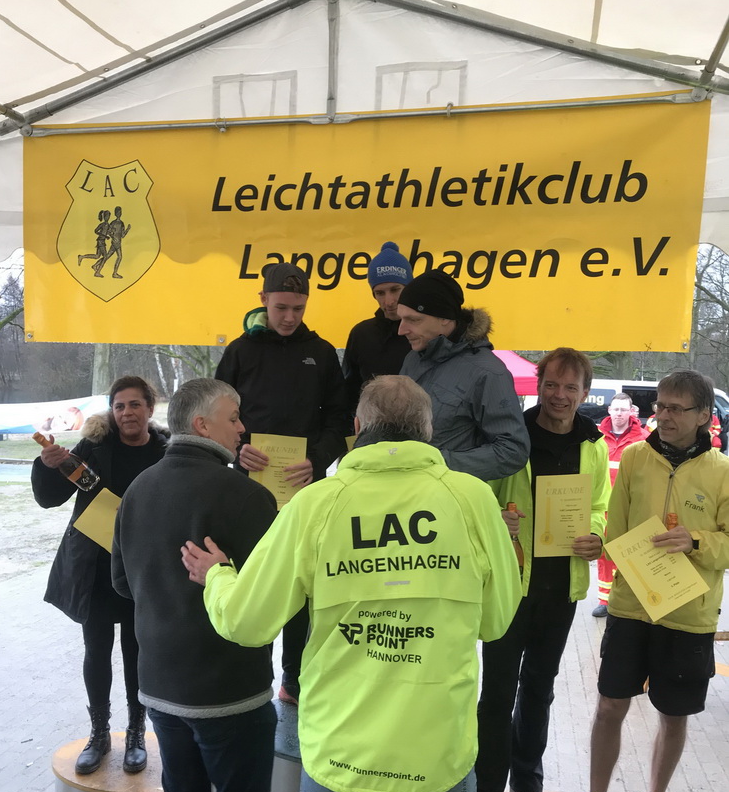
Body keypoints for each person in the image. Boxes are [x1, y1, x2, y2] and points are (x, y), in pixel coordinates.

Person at [181, 375, 521, 792]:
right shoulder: (472, 499)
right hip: (434, 760)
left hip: (339, 757)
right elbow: (496, 621)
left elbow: (245, 621)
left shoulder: (317, 504)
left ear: (358, 428)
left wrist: (217, 576)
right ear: (428, 431)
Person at [112, 378, 277, 792]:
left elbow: (121, 583)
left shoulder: (138, 489)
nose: (243, 428)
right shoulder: (248, 497)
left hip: (159, 687)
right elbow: (272, 600)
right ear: (202, 425)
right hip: (231, 693)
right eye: (234, 417)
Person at [561, 369, 729, 792]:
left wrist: (696, 540)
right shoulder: (634, 457)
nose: (665, 416)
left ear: (704, 416)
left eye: (677, 408)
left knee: (673, 716)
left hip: (688, 615)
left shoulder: (722, 470)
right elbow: (614, 529)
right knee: (609, 707)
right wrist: (596, 544)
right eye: (661, 406)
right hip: (631, 608)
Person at [475, 348, 610, 792]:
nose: (560, 395)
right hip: (511, 585)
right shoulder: (513, 435)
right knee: (496, 694)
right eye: (552, 384)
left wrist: (597, 534)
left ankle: (527, 789)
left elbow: (600, 504)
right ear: (539, 385)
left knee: (539, 689)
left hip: (560, 587)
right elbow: (480, 494)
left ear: (584, 392)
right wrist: (495, 518)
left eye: (571, 387)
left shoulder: (593, 442)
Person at [214, 262, 350, 704]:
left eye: (298, 308)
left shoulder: (322, 353)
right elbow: (215, 414)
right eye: (281, 308)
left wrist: (318, 459)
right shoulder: (239, 352)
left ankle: (294, 677)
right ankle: (249, 673)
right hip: (248, 487)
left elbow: (338, 418)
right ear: (263, 301)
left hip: (304, 487)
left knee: (300, 579)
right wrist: (238, 449)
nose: (290, 317)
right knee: (251, 575)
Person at [31, 375, 168, 775]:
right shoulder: (93, 446)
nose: (127, 413)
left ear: (150, 408)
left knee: (137, 652)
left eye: (135, 404)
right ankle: (99, 733)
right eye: (119, 406)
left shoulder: (165, 452)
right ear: (112, 411)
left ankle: (136, 733)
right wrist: (47, 466)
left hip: (141, 569)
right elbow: (50, 498)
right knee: (96, 651)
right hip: (96, 568)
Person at [397, 268, 529, 480]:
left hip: (452, 494)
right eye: (401, 319)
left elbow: (512, 451)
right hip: (404, 489)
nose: (401, 330)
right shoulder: (413, 358)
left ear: (445, 318)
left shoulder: (489, 373)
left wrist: (437, 463)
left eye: (413, 320)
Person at [592, 393, 648, 618]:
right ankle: (605, 600)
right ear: (609, 410)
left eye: (623, 410)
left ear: (631, 412)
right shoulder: (597, 437)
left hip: (629, 507)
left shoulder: (643, 438)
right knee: (605, 555)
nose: (619, 414)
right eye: (615, 409)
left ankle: (628, 599)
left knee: (629, 553)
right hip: (603, 507)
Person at [342, 241, 413, 405]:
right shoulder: (361, 334)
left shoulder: (426, 331)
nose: (389, 301)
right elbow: (349, 391)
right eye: (380, 293)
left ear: (409, 288)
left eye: (395, 290)